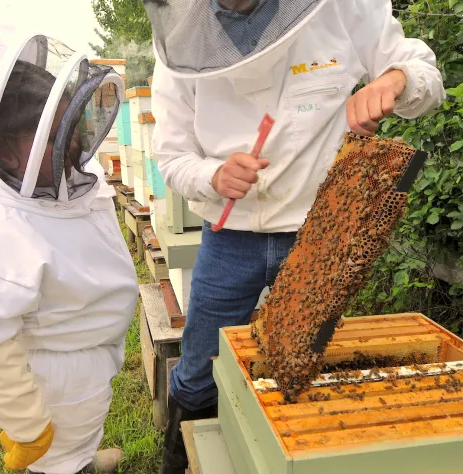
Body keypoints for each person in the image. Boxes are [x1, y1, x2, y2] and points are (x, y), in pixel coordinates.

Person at [142, 0, 447, 472]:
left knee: (305, 365)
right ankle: (179, 461)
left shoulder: (341, 8)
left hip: (323, 233)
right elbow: (173, 157)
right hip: (231, 237)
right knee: (199, 367)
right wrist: (213, 175)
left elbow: (424, 74)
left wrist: (395, 79)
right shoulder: (180, 42)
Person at [0, 24, 138, 474]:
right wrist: (30, 428)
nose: (72, 141)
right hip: (52, 388)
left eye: (68, 124)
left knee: (78, 437)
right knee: (57, 458)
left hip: (83, 367)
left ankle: (80, 457)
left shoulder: (50, 184)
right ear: (5, 150)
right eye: (54, 132)